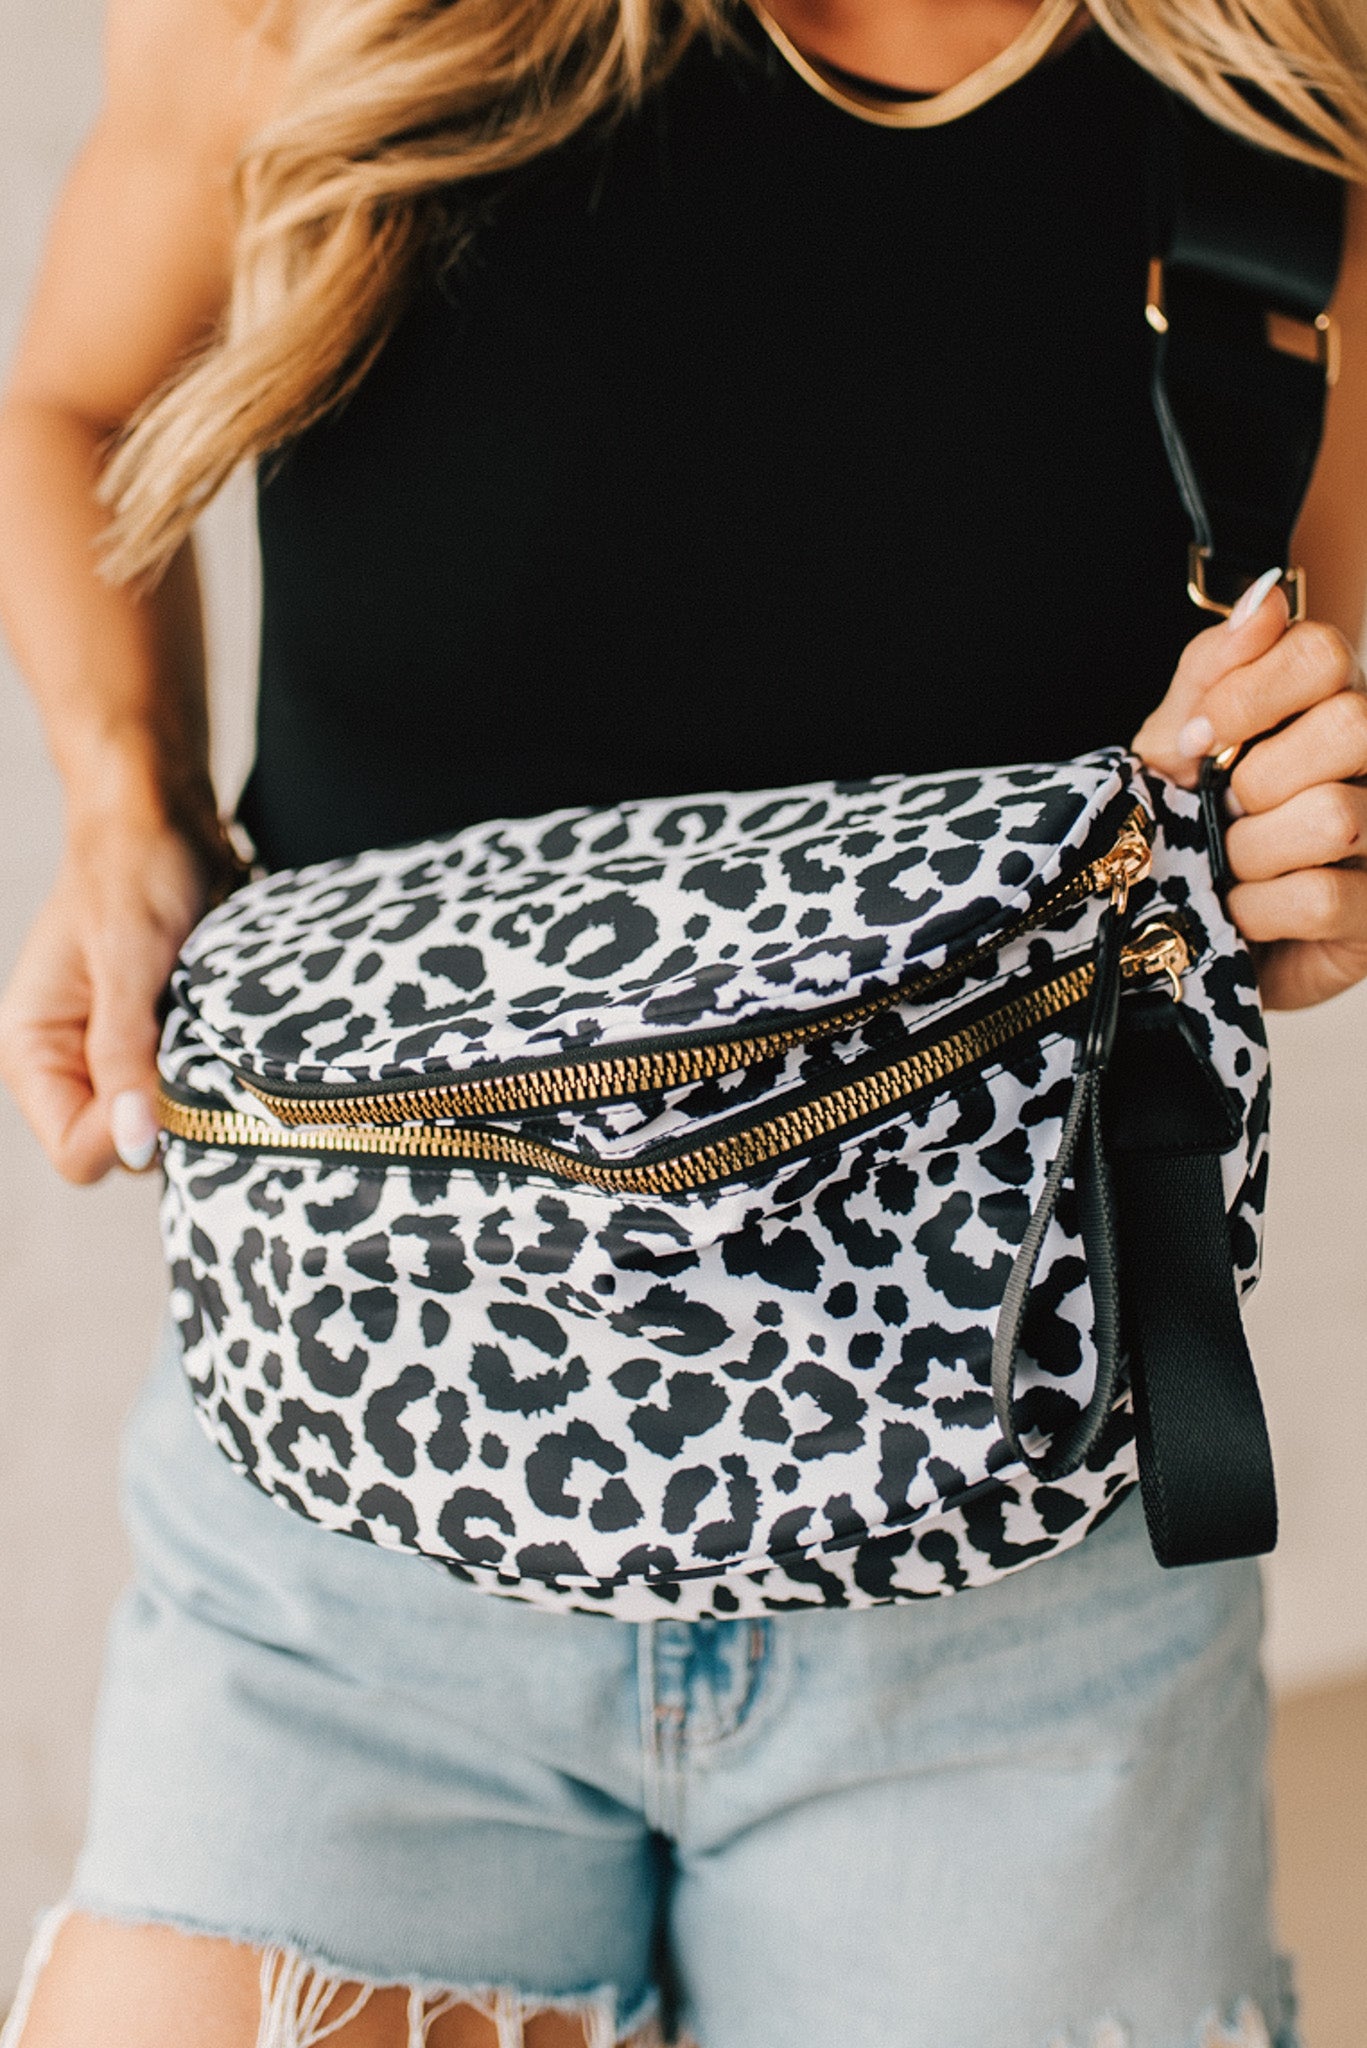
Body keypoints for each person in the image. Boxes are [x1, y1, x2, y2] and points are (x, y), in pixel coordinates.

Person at [0, 0, 1364, 2041]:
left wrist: (1280, 843)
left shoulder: (1288, 96)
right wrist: (127, 805)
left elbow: (1273, 689)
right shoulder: (317, 19)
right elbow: (72, 405)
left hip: (1010, 1517)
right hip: (353, 1500)